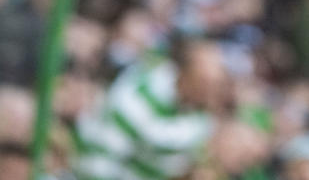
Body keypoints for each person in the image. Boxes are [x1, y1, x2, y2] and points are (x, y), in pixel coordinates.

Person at [70, 38, 230, 180]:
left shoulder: (199, 107)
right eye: (207, 85)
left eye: (218, 84)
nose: (213, 93)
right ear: (186, 76)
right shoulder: (136, 100)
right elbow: (99, 157)